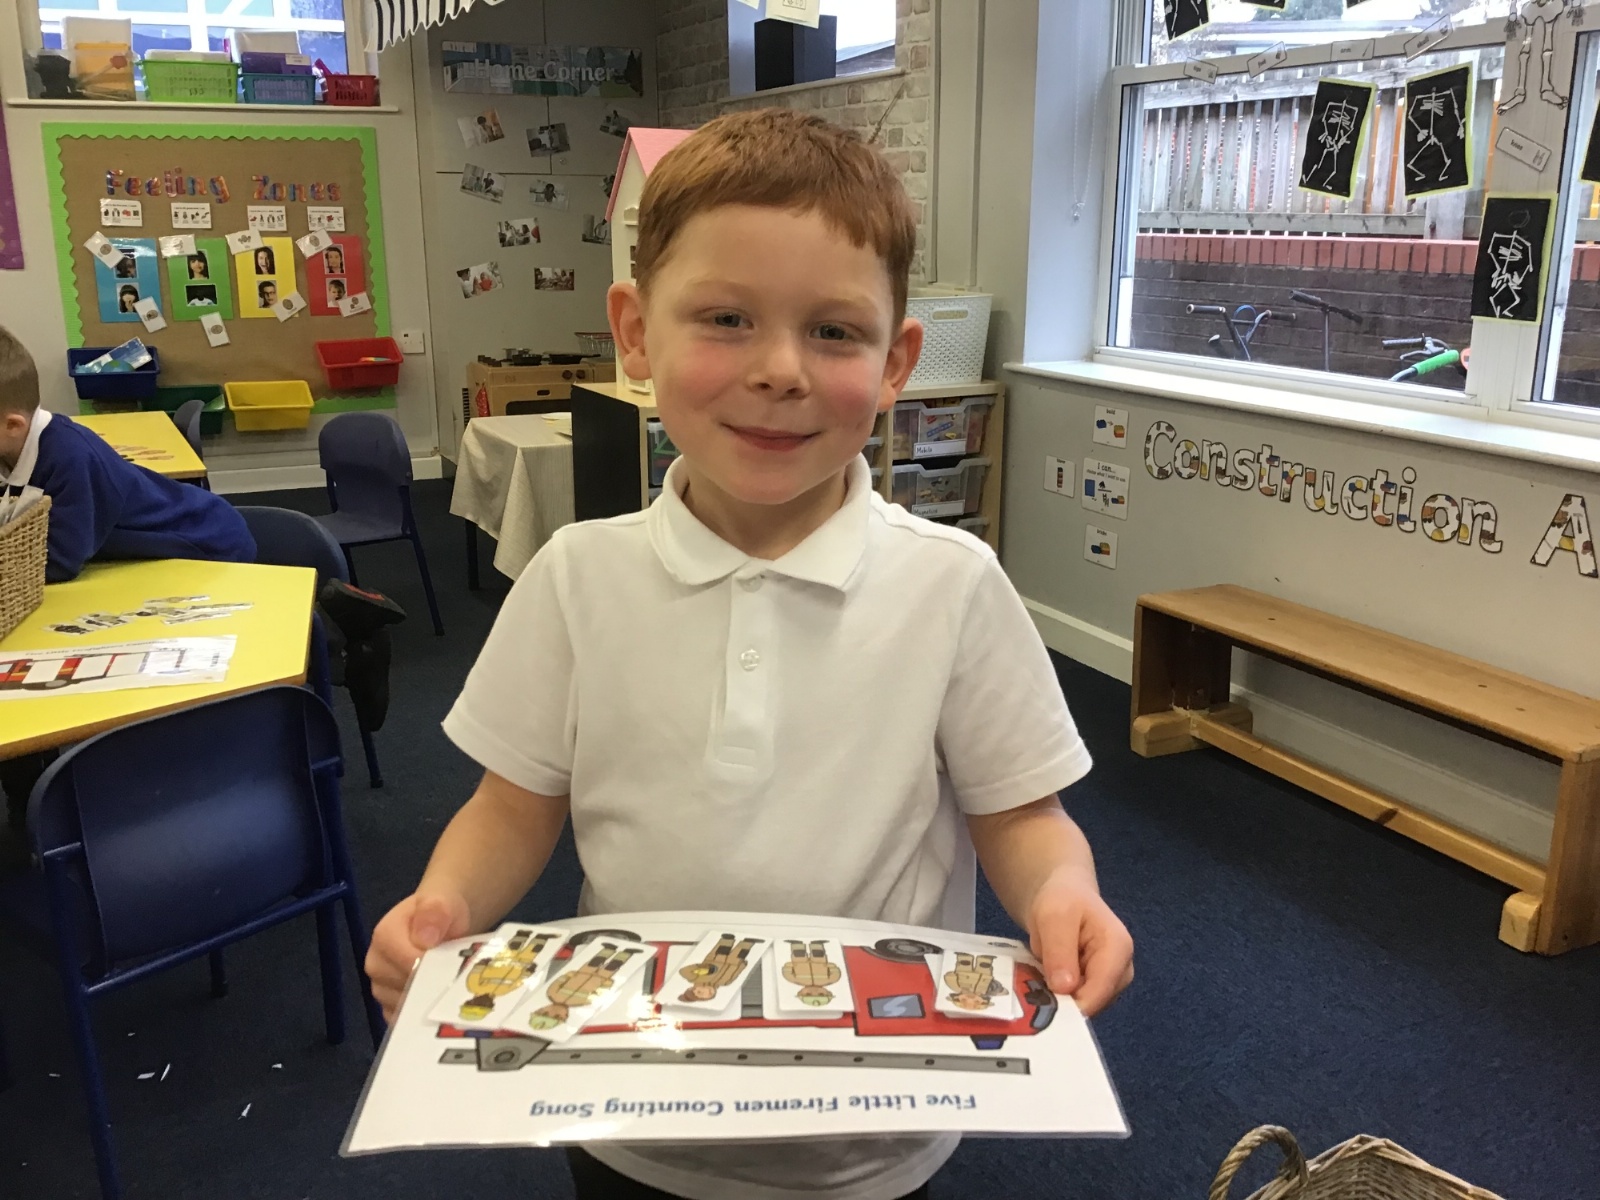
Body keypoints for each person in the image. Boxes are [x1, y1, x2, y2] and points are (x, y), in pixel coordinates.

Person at [364, 108, 1133, 1200]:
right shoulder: (576, 577)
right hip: (625, 1105)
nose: (780, 370)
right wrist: (446, 904)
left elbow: (1020, 815)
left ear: (896, 360)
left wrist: (1064, 893)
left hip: (869, 1129)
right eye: (726, 318)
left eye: (834, 332)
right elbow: (514, 806)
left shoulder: (952, 585)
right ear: (636, 333)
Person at [0, 325, 256, 827]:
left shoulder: (70, 456)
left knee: (166, 676)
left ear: (12, 424)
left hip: (202, 550)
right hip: (129, 556)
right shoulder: (12, 446)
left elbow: (58, 560)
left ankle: (340, 639)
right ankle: (33, 800)